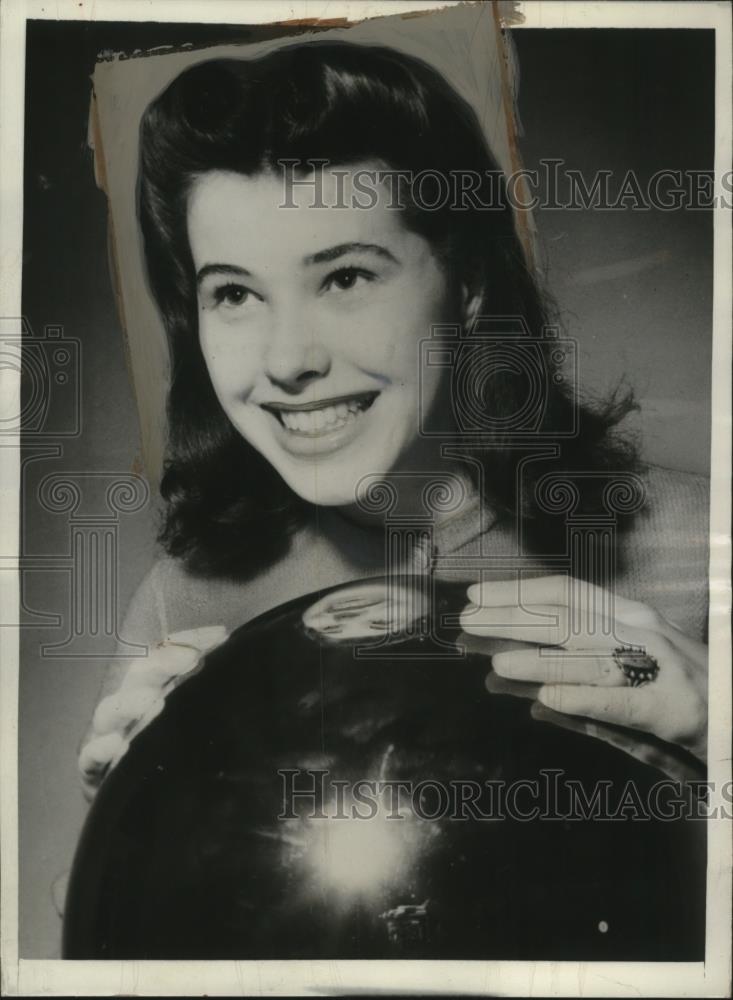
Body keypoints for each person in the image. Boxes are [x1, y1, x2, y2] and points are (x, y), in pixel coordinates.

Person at [78, 41, 709, 798]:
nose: (287, 360)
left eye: (345, 277)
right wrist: (130, 824)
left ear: (467, 283)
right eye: (235, 294)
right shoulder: (180, 602)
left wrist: (721, 725)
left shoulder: (700, 545)